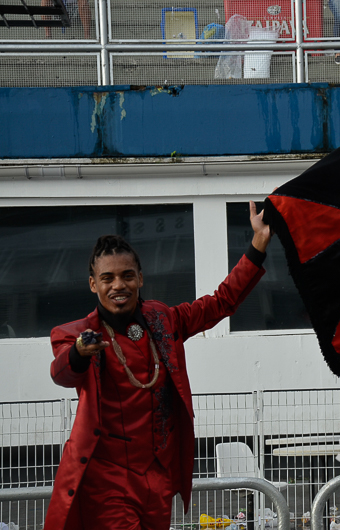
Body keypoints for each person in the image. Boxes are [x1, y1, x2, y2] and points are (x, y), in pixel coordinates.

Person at [45, 201, 272, 530]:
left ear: (140, 278)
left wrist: (259, 243)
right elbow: (62, 372)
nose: (118, 285)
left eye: (126, 276)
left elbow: (222, 302)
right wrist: (80, 352)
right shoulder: (78, 335)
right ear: (93, 284)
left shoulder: (164, 320)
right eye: (107, 278)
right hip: (107, 480)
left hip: (159, 478)